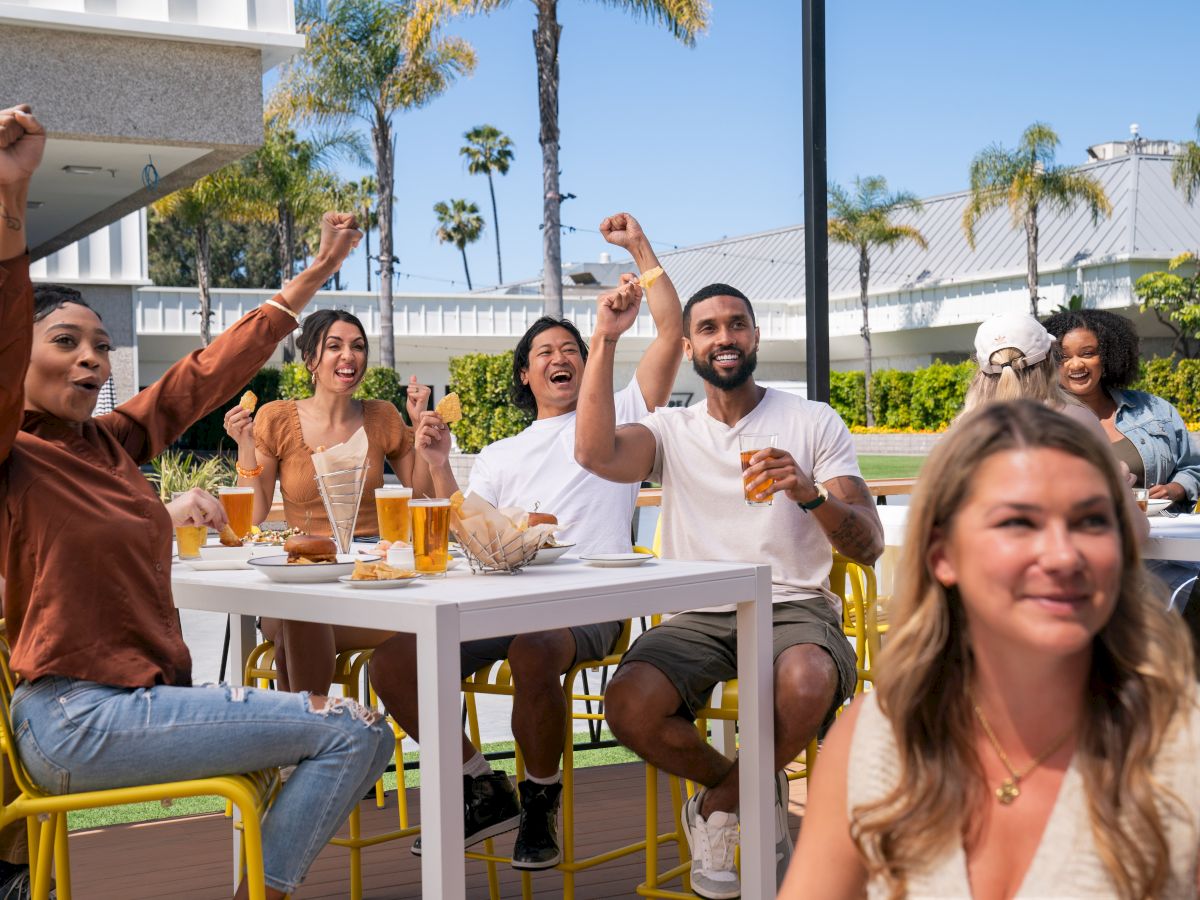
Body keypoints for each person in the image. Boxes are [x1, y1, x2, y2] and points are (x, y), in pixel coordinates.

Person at [0, 105, 392, 900]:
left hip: (137, 707)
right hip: (78, 717)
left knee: (339, 730)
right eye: (66, 342)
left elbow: (204, 376)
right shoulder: (12, 452)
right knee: (355, 729)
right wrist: (10, 201)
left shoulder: (107, 444)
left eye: (100, 347)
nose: (90, 359)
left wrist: (314, 276)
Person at [781, 400, 1200, 899]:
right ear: (943, 556)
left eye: (1091, 521)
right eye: (1018, 523)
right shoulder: (879, 741)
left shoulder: (1179, 746)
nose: (1064, 555)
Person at [368, 211, 684, 869]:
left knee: (533, 648)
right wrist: (441, 461)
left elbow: (672, 330)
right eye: (544, 352)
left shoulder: (621, 413)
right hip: (508, 595)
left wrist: (639, 247)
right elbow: (475, 529)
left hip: (591, 599)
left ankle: (539, 803)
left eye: (571, 348)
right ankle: (482, 786)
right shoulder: (505, 454)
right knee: (393, 661)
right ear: (524, 376)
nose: (560, 357)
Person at [573, 281, 883, 898]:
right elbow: (593, 452)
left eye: (736, 324)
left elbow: (868, 543)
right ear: (688, 344)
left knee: (806, 681)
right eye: (709, 328)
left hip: (791, 606)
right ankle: (752, 792)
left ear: (756, 335)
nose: (725, 338)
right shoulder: (670, 429)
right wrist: (605, 339)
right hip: (698, 614)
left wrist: (809, 492)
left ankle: (718, 806)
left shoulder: (811, 420)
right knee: (627, 705)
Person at [222, 309, 433, 693]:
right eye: (334, 346)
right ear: (310, 360)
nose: (348, 356)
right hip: (300, 574)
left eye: (358, 346)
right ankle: (322, 735)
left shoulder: (383, 417)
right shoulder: (276, 418)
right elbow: (252, 515)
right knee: (300, 617)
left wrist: (419, 431)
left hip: (369, 577)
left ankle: (308, 741)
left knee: (298, 630)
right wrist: (246, 448)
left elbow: (421, 500)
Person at [1043, 307, 1200, 593]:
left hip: (1159, 552)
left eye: (1088, 353)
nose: (1075, 365)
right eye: (1063, 356)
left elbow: (1192, 466)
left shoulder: (1153, 410)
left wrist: (1176, 489)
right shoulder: (1042, 422)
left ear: (1108, 356)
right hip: (1084, 557)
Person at [964, 313, 1149, 542]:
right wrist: (1119, 483)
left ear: (980, 370)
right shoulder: (1076, 421)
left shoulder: (962, 435)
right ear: (1050, 359)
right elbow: (1136, 532)